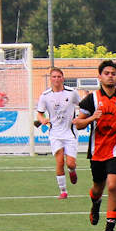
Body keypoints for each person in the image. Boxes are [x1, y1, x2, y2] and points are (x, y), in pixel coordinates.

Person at [73, 60, 116, 231]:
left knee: (112, 185)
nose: (110, 76)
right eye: (106, 73)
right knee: (97, 188)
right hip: (98, 150)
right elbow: (78, 124)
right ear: (99, 77)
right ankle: (95, 203)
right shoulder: (91, 99)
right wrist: (92, 118)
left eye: (113, 73)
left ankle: (110, 227)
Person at [36, 67, 82, 198]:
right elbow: (39, 113)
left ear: (63, 78)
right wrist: (42, 120)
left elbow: (83, 106)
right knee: (60, 162)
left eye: (59, 76)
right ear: (50, 79)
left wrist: (80, 118)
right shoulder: (45, 96)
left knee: (70, 163)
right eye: (54, 77)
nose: (56, 79)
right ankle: (63, 191)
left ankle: (72, 170)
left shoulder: (72, 93)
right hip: (55, 133)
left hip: (70, 133)